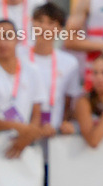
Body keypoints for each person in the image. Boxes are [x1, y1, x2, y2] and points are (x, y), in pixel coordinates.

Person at [0, 20, 46, 158]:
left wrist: (28, 135)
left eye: (7, 36)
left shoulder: (32, 70)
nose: (2, 43)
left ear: (17, 39)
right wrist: (20, 128)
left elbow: (37, 114)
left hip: (26, 142)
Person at [19, 2, 83, 134]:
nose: (44, 27)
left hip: (53, 131)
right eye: (40, 21)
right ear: (32, 23)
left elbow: (69, 100)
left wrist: (65, 123)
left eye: (50, 23)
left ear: (60, 29)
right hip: (20, 129)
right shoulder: (18, 55)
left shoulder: (70, 63)